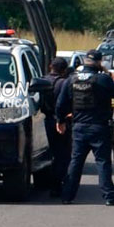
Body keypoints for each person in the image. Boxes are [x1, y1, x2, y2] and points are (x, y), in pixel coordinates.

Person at [56, 50, 114, 206]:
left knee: (75, 162)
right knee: (102, 163)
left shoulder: (71, 80)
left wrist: (60, 120)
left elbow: (61, 104)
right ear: (100, 63)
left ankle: (67, 196)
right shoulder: (103, 79)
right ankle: (110, 197)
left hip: (79, 127)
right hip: (99, 128)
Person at [42, 57, 72, 197]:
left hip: (43, 120)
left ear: (50, 66)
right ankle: (57, 185)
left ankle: (49, 181)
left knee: (50, 153)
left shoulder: (41, 81)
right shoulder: (64, 83)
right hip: (61, 121)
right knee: (62, 155)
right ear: (64, 70)